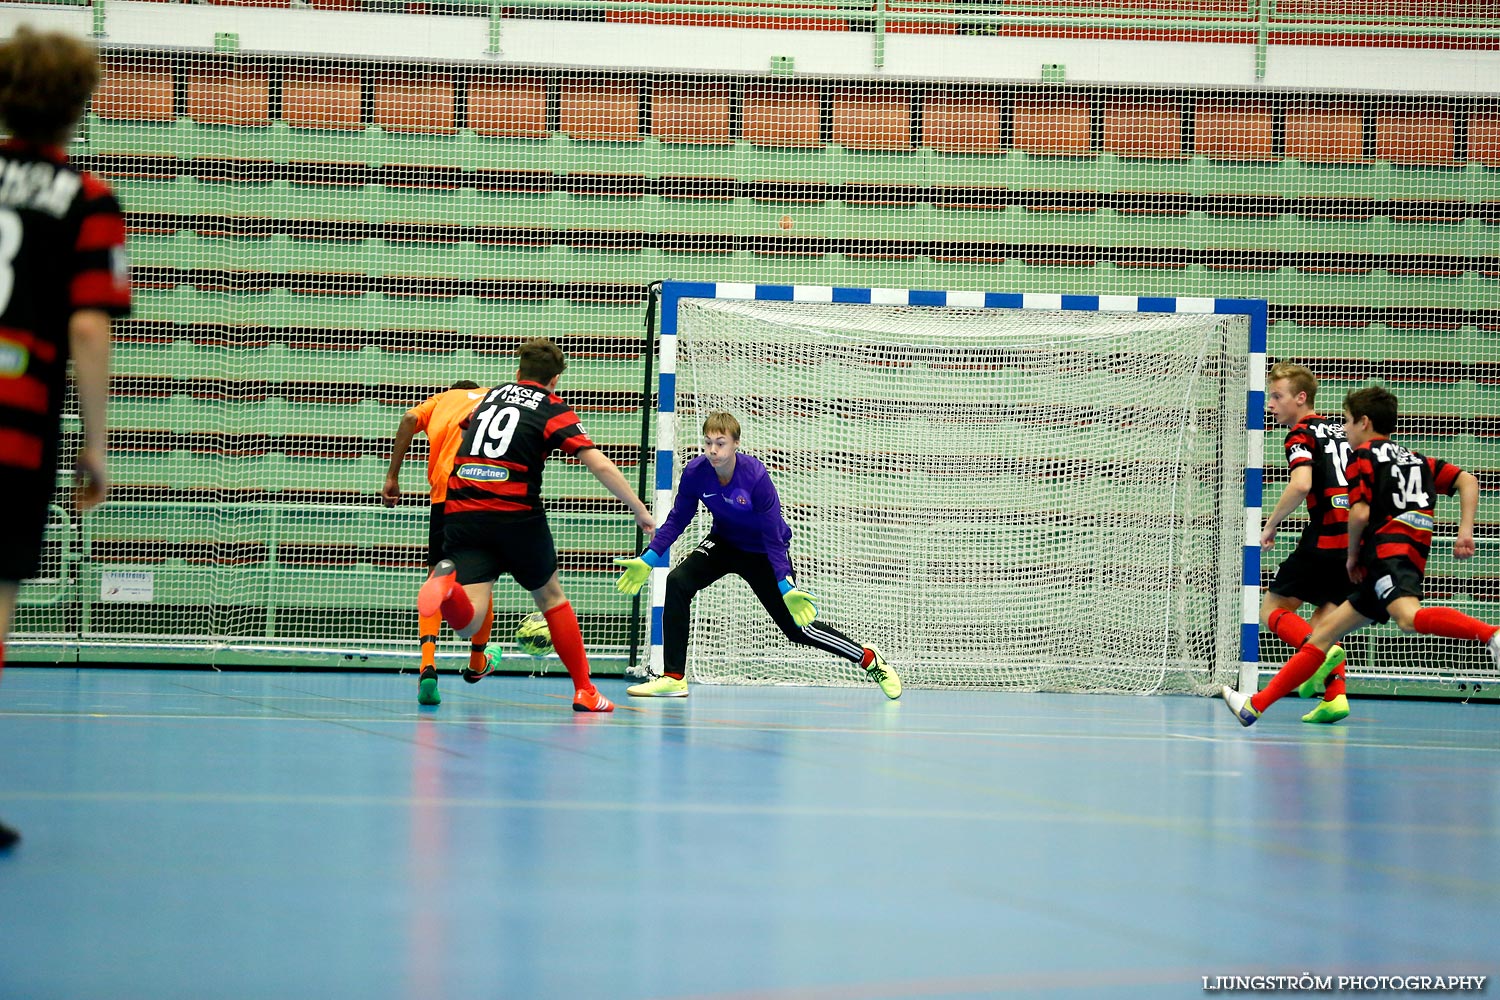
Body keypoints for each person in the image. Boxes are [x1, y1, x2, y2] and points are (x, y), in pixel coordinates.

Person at [0, 27, 131, 849]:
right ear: (79, 108)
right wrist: (94, 445)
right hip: (11, 435)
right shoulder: (87, 199)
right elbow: (88, 329)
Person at [1224, 385, 1500, 727]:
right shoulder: (1416, 458)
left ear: (1365, 422)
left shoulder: (1363, 459)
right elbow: (1468, 480)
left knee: (1408, 618)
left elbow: (1359, 514)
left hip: (1387, 557)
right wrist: (1464, 530)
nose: (1345, 429)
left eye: (1348, 421)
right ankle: (1254, 706)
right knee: (1323, 636)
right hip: (1407, 556)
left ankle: (1491, 634)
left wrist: (1353, 555)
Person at [418, 337, 654, 712]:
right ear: (555, 380)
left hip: (463, 510)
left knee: (467, 622)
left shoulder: (491, 396)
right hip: (515, 516)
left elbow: (463, 436)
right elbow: (599, 464)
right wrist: (639, 509)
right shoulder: (551, 408)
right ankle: (585, 691)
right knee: (550, 597)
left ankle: (448, 591)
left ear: (518, 372)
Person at [614, 411, 901, 700]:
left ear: (736, 444)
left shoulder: (755, 477)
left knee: (799, 630)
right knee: (677, 582)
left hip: (762, 552)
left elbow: (774, 537)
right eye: (708, 442)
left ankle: (868, 659)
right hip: (724, 543)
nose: (713, 450)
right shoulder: (695, 473)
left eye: (720, 443)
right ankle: (674, 677)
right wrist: (649, 558)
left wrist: (786, 585)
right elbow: (678, 519)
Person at [1258, 363, 1354, 724]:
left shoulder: (1300, 434)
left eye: (1277, 396)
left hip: (1324, 537)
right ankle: (1335, 697)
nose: (1271, 404)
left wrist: (1270, 525)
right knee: (1324, 624)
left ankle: (1314, 652)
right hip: (1355, 544)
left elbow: (1301, 484)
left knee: (1270, 610)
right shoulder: (1342, 433)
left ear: (1301, 398)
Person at [383, 379, 489, 706]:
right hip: (485, 496)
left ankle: (427, 663)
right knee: (482, 581)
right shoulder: (492, 397)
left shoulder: (440, 400)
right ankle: (476, 662)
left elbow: (408, 420)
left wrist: (392, 477)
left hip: (445, 500)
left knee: (437, 581)